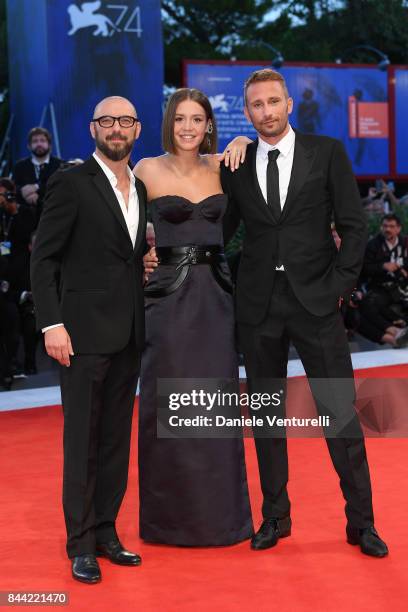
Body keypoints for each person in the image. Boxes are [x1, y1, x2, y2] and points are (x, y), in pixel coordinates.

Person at [218, 69, 388, 557]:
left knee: (340, 415)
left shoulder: (327, 152)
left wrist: (339, 285)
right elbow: (219, 229)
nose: (266, 112)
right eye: (256, 105)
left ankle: (362, 522)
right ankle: (276, 517)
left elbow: (354, 227)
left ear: (289, 104)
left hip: (317, 303)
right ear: (247, 111)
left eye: (274, 101)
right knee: (267, 416)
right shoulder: (237, 163)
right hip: (259, 307)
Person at [31, 96, 146, 583]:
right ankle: (79, 544)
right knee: (82, 442)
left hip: (128, 334)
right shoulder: (70, 182)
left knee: (116, 440)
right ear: (93, 128)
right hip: (79, 335)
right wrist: (51, 323)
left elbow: (124, 255)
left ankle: (105, 531)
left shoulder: (140, 186)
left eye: (124, 121)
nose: (115, 128)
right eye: (107, 121)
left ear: (137, 130)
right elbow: (44, 258)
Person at [135, 88, 253, 546]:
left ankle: (221, 519)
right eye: (180, 118)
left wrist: (246, 144)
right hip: (165, 301)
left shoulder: (224, 166)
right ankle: (168, 522)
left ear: (209, 125)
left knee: (215, 406)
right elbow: (117, 220)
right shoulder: (146, 168)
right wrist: (137, 256)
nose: (188, 126)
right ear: (170, 122)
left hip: (216, 299)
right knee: (166, 406)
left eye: (197, 119)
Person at [13, 127, 63, 224]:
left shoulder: (60, 165)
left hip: (53, 218)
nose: (39, 144)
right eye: (35, 141)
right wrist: (22, 191)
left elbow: (60, 188)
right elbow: (13, 187)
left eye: (42, 140)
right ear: (29, 146)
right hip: (24, 221)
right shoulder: (19, 166)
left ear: (49, 144)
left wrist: (37, 188)